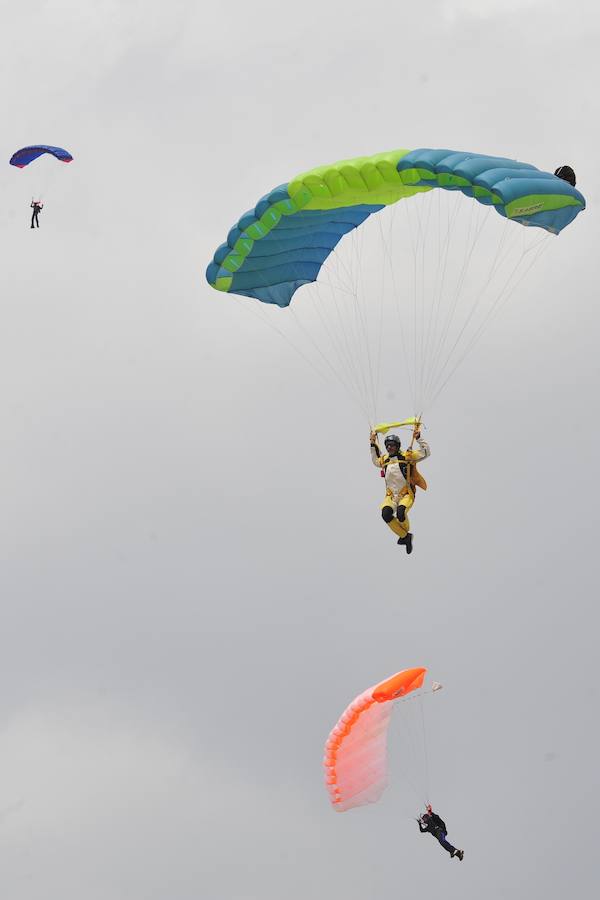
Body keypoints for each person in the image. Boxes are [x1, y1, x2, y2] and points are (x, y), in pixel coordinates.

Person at [370, 428, 430, 553]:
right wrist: (372, 443)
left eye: (392, 445)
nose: (389, 448)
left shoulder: (407, 456)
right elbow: (375, 459)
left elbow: (426, 452)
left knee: (401, 513)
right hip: (391, 496)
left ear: (397, 446)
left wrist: (418, 438)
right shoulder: (384, 460)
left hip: (406, 494)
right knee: (385, 514)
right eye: (387, 446)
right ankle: (405, 537)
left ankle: (405, 533)